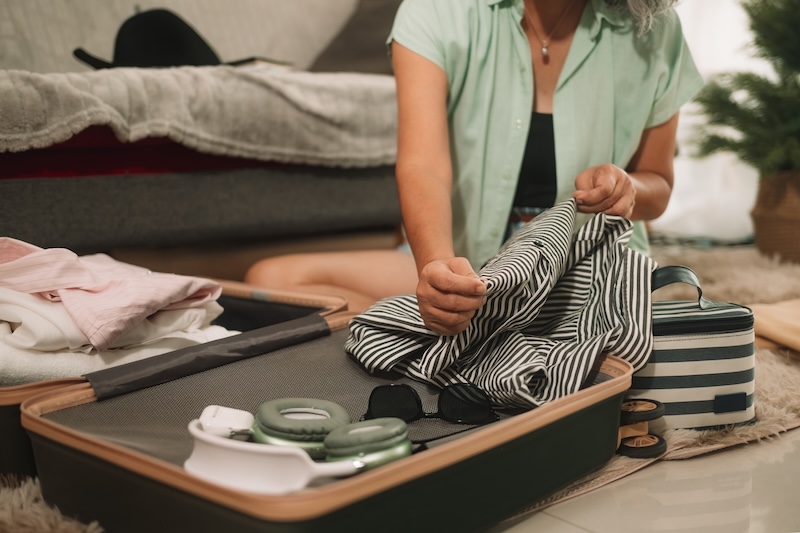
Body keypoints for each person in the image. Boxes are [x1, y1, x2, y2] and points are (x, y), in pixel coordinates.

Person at [245, 0, 704, 336]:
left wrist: (626, 189)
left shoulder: (656, 31)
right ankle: (475, 337)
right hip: (466, 260)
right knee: (272, 281)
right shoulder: (437, 10)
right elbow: (423, 165)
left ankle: (460, 343)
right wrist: (439, 274)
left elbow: (658, 185)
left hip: (581, 276)